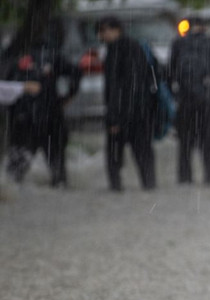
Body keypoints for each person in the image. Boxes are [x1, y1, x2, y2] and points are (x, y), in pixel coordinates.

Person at [5, 42, 81, 187]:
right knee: (57, 173)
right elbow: (76, 73)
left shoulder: (12, 58)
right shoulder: (52, 57)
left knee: (14, 173)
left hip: (29, 120)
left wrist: (66, 96)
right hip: (42, 119)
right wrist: (67, 96)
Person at [96, 16, 157, 191]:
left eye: (103, 30)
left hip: (127, 114)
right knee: (143, 156)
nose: (101, 35)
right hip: (140, 111)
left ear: (116, 29)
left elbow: (120, 87)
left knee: (115, 159)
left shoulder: (119, 50)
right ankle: (149, 189)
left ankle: (118, 191)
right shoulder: (132, 47)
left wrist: (115, 118)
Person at [168, 16, 210, 186]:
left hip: (185, 101)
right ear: (204, 26)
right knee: (209, 142)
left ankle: (185, 178)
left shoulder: (178, 43)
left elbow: (170, 73)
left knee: (185, 143)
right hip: (209, 102)